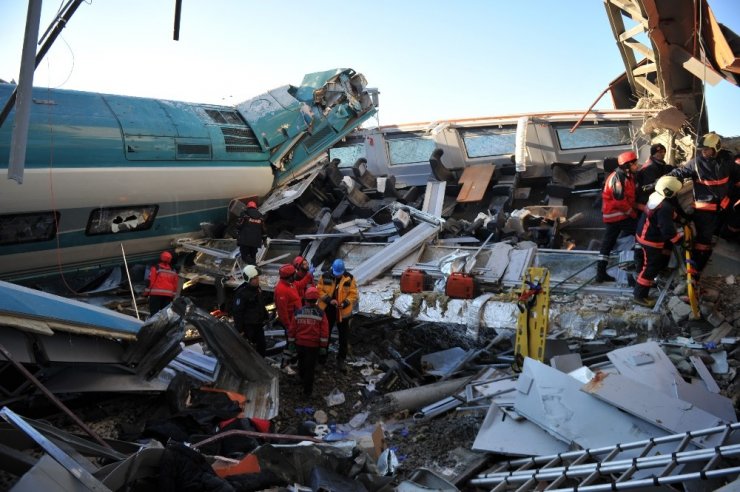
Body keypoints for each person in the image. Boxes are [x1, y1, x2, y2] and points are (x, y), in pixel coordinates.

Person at [667, 132, 739, 279]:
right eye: (702, 149)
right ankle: (695, 272)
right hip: (704, 211)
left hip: (722, 208)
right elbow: (680, 172)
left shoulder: (727, 161)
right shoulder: (696, 163)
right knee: (703, 242)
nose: (703, 152)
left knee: (718, 234)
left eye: (706, 149)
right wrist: (664, 180)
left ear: (716, 148)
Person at [633, 176, 684, 307]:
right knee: (650, 267)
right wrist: (679, 240)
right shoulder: (664, 206)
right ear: (668, 191)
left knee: (645, 265)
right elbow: (667, 229)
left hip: (643, 235)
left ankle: (642, 280)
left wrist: (680, 219)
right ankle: (640, 296)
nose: (676, 193)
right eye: (674, 191)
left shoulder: (656, 196)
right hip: (651, 240)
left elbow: (666, 214)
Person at [596, 151, 640, 282]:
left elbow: (629, 198)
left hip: (616, 216)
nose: (637, 166)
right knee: (641, 234)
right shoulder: (618, 178)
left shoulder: (626, 176)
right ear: (627, 165)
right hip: (618, 216)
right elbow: (619, 201)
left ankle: (600, 273)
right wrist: (633, 214)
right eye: (635, 164)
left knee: (607, 244)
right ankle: (637, 267)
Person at [633, 144, 673, 273]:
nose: (662, 154)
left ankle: (659, 265)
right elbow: (647, 189)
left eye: (663, 151)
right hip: (647, 206)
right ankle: (642, 267)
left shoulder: (660, 165)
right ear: (653, 154)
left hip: (652, 205)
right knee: (646, 238)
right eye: (659, 152)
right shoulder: (649, 168)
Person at [317, 258, 358, 369]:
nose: (338, 276)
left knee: (343, 338)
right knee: (325, 336)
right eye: (336, 274)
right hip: (328, 309)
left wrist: (344, 303)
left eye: (339, 274)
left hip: (342, 311)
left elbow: (353, 294)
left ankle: (341, 361)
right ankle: (321, 360)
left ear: (343, 271)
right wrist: (329, 300)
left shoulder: (349, 278)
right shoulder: (325, 276)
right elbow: (319, 290)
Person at [289, 287, 329, 397]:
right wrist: (323, 347)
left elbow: (292, 329)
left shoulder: (298, 312)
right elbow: (324, 332)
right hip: (313, 346)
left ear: (305, 299)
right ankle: (307, 392)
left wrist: (291, 343)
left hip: (300, 344)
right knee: (310, 368)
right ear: (317, 300)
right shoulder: (321, 314)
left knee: (301, 363)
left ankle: (301, 379)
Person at [232, 265, 268, 356]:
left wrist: (265, 315)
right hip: (248, 327)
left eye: (257, 277)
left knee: (262, 347)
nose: (257, 280)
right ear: (248, 279)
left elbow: (260, 304)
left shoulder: (257, 289)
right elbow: (237, 312)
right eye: (254, 278)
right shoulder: (242, 293)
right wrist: (240, 330)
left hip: (258, 324)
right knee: (250, 350)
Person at [273, 263, 302, 353]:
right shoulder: (281, 290)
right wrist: (289, 327)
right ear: (289, 276)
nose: (295, 275)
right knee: (291, 343)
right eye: (294, 274)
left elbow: (299, 285)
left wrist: (308, 276)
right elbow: (282, 312)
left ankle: (292, 359)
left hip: (296, 319)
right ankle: (287, 362)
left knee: (295, 342)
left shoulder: (290, 284)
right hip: (291, 323)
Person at [144, 250, 178, 317]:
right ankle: (162, 326)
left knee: (154, 313)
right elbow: (175, 285)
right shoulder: (173, 270)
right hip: (168, 296)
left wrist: (146, 293)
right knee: (165, 315)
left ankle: (153, 326)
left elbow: (150, 282)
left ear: (161, 258)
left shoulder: (155, 268)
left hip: (155, 295)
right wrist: (173, 296)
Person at [236, 201, 265, 265]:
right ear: (255, 207)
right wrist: (264, 240)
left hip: (245, 240)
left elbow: (239, 226)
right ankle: (253, 271)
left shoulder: (244, 214)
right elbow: (263, 230)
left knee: (244, 256)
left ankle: (254, 266)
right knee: (253, 256)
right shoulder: (261, 216)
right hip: (256, 241)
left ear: (247, 207)